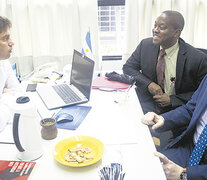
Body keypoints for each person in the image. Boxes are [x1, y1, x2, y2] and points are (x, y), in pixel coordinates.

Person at [123, 10, 207, 115]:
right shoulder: (145, 45)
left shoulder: (198, 59)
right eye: (155, 26)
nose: (155, 30)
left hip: (178, 111)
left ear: (176, 33)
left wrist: (173, 100)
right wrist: (149, 84)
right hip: (147, 105)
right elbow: (128, 68)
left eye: (161, 27)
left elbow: (203, 93)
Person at [141, 74, 207, 180]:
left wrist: (184, 174)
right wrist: (163, 119)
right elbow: (191, 109)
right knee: (147, 166)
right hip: (191, 149)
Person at [0, 16, 20, 132]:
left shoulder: (3, 61)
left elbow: (18, 93)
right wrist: (7, 96)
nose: (12, 43)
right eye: (5, 38)